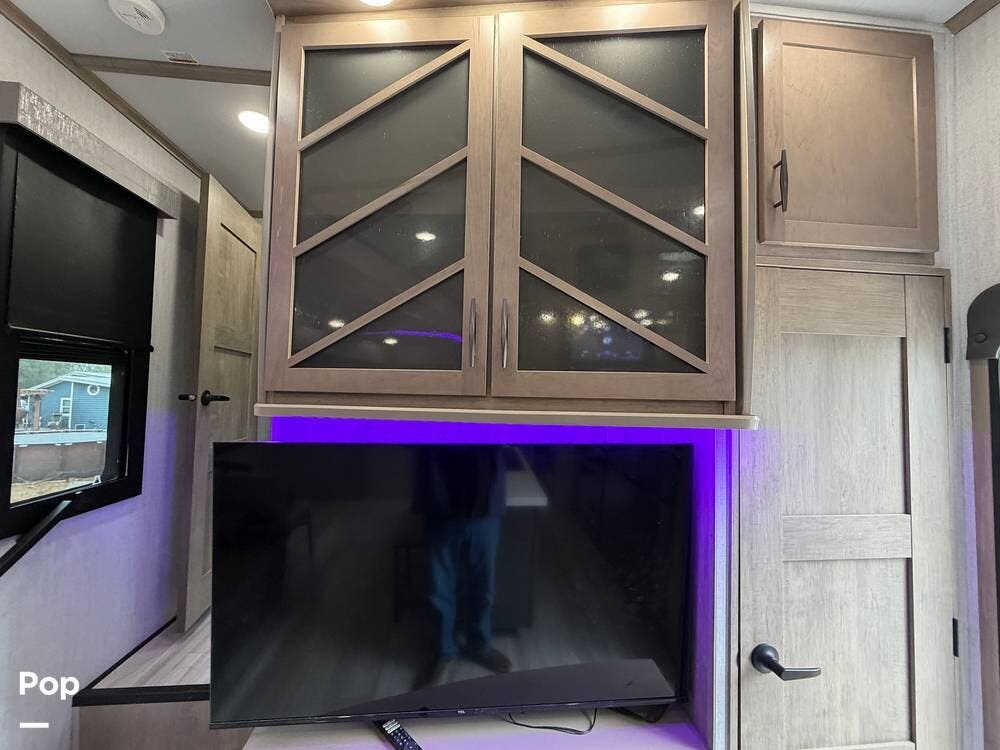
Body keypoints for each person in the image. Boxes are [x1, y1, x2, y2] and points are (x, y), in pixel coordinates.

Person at [414, 446, 512, 689]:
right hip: (439, 500)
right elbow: (403, 436)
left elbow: (516, 438)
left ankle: (479, 644)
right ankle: (443, 651)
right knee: (439, 590)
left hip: (485, 503)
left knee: (484, 585)